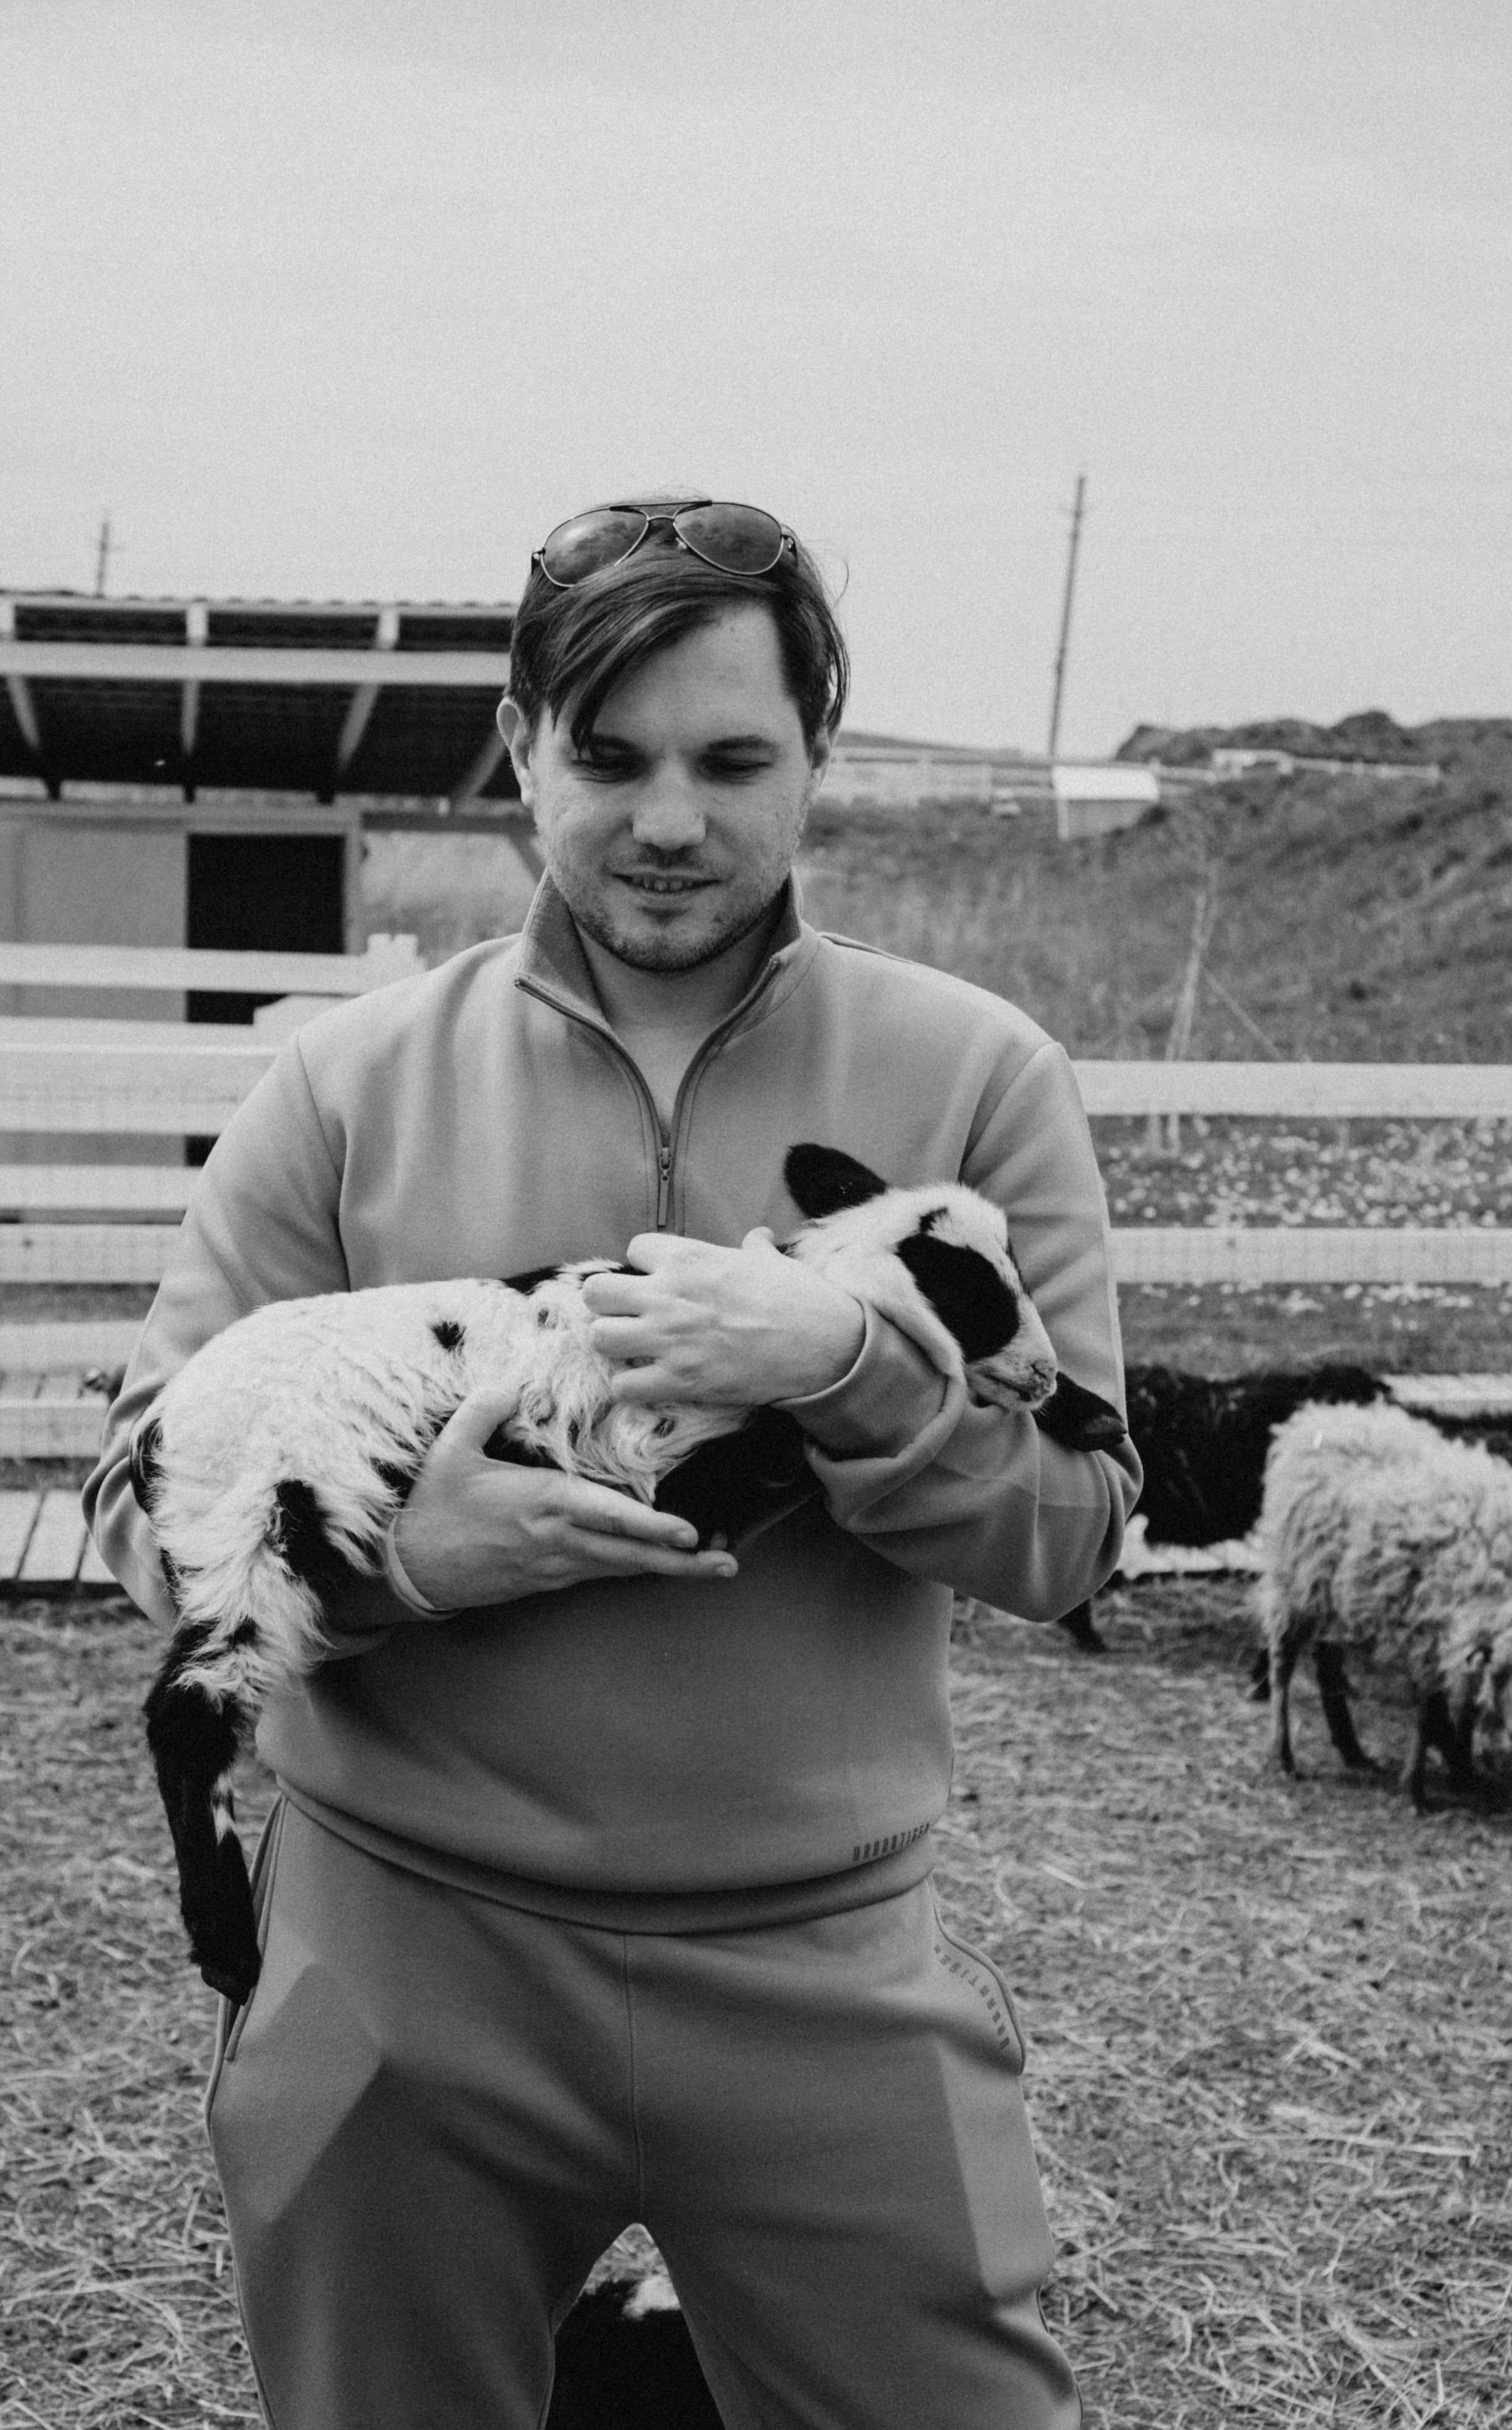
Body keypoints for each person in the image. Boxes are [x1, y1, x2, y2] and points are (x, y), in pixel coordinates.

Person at [87, 495, 1141, 2430]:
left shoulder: (973, 1078)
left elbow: (1081, 1539)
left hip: (820, 1970)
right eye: (613, 758)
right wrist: (407, 1561)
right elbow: (143, 1513)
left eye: (736, 760)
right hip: (404, 1961)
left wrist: (852, 1373)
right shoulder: (347, 1085)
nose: (671, 820)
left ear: (819, 757)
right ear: (521, 746)